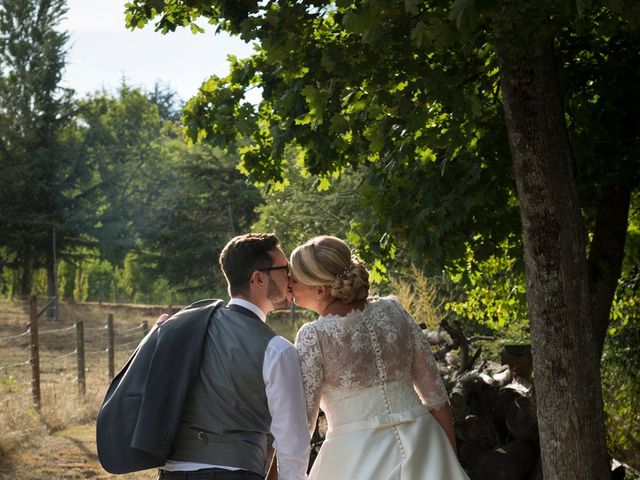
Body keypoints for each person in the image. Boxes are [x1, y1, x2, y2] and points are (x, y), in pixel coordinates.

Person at [289, 235, 470, 480]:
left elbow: (303, 427)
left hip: (357, 459)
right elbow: (436, 396)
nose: (289, 284)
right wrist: (450, 460)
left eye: (295, 278)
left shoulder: (314, 336)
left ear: (319, 290)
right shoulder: (395, 311)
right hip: (426, 447)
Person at [158, 233, 310, 480]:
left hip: (173, 473)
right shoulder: (277, 349)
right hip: (236, 473)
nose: (291, 278)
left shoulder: (182, 328)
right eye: (285, 270)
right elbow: (292, 440)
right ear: (258, 279)